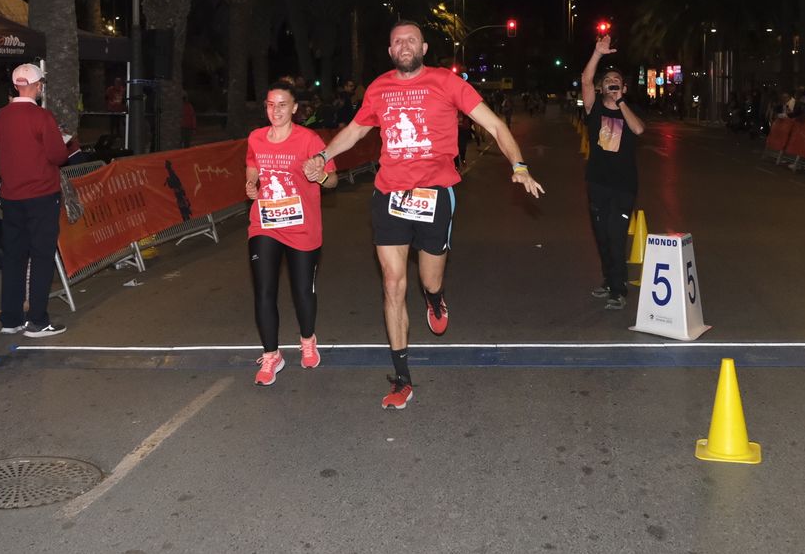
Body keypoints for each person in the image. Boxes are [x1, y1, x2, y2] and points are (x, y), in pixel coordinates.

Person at [305, 22, 544, 409]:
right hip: (390, 195)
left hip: (435, 195)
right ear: (389, 49)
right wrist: (323, 156)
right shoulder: (379, 88)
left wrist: (518, 166)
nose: (404, 45)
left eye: (411, 40)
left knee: (428, 280)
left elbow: (495, 125)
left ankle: (435, 298)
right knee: (393, 283)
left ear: (424, 46)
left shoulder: (446, 84)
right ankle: (402, 378)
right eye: (397, 40)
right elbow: (355, 131)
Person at [244, 83, 337, 386]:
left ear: (295, 108)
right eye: (271, 104)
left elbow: (333, 179)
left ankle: (307, 339)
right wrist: (252, 182)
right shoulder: (256, 138)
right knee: (264, 290)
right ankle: (272, 355)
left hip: (302, 228)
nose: (277, 110)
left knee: (302, 291)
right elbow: (252, 165)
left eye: (283, 104)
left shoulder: (309, 140)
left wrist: (320, 175)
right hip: (265, 223)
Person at [0, 63, 78, 338]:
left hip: (11, 196)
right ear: (33, 85)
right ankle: (38, 320)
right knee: (42, 257)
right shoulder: (41, 117)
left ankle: (11, 318)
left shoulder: (2, 117)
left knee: (15, 257)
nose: (41, 86)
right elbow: (57, 156)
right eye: (40, 83)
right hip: (41, 195)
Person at [581, 35, 646, 310]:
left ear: (624, 87)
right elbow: (585, 80)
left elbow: (639, 130)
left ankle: (618, 291)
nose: (613, 83)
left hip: (623, 186)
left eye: (617, 81)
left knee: (616, 235)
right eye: (608, 80)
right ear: (601, 86)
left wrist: (620, 102)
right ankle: (609, 280)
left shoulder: (628, 110)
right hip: (598, 183)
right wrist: (597, 53)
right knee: (602, 235)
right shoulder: (593, 109)